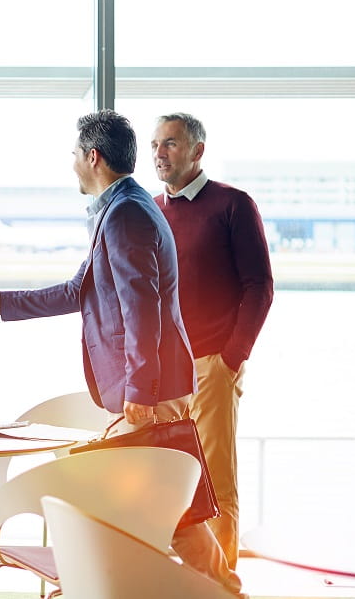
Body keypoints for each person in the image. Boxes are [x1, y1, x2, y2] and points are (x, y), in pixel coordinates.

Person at [0, 110, 244, 596]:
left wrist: (141, 389)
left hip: (151, 391)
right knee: (172, 507)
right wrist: (3, 305)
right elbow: (80, 290)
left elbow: (143, 308)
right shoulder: (122, 208)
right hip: (152, 386)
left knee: (170, 507)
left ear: (93, 157)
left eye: (75, 154)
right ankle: (216, 588)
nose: (73, 163)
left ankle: (214, 589)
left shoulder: (126, 215)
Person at [151, 112, 274, 570]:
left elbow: (259, 286)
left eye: (171, 144)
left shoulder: (233, 205)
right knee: (164, 480)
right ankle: (178, 577)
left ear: (197, 151)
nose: (160, 153)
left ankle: (224, 586)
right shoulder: (151, 210)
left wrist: (231, 359)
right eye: (156, 145)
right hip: (160, 373)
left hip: (210, 367)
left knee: (215, 482)